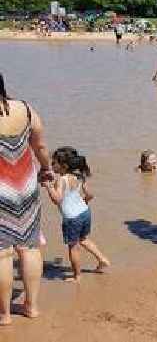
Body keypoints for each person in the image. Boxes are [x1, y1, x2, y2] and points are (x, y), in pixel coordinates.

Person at [0, 73, 53, 324]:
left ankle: (5, 314)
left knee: (2, 254)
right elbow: (40, 146)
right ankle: (31, 306)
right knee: (29, 247)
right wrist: (47, 168)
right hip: (26, 186)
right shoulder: (26, 110)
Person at [43, 147, 110, 282]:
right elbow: (90, 194)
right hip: (85, 212)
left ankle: (77, 276)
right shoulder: (79, 176)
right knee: (84, 239)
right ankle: (102, 259)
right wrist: (83, 203)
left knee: (73, 247)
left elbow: (57, 200)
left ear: (64, 166)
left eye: (54, 163)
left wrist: (49, 186)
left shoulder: (62, 180)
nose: (51, 165)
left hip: (72, 218)